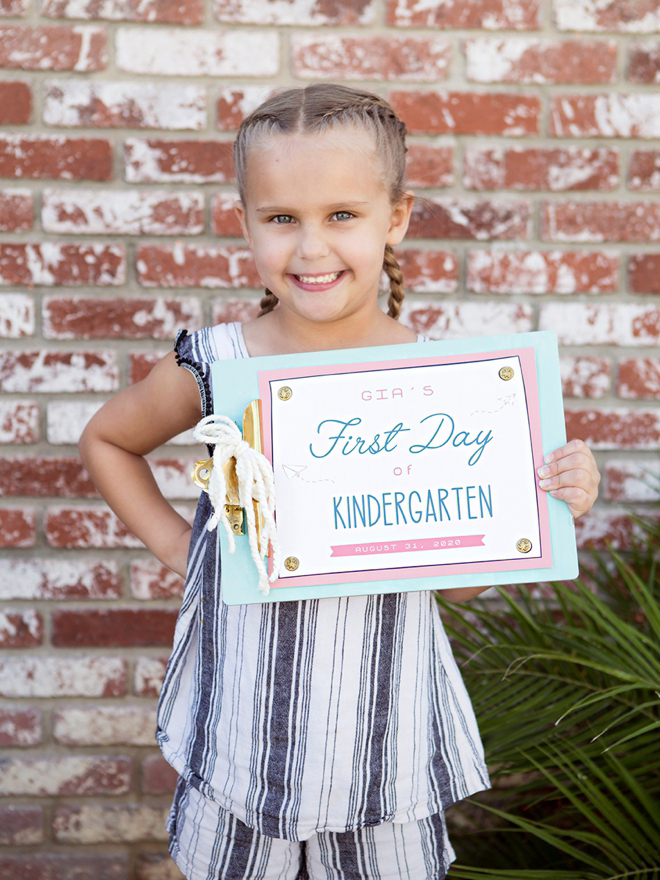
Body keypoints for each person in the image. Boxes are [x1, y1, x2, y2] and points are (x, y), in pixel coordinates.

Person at [79, 84, 600, 880]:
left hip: (384, 758)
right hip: (243, 744)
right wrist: (186, 550)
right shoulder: (220, 366)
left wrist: (553, 496)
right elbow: (109, 439)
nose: (312, 249)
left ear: (396, 217)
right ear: (245, 219)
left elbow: (456, 593)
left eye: (342, 216)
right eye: (282, 218)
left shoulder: (446, 386)